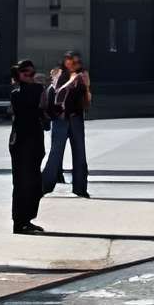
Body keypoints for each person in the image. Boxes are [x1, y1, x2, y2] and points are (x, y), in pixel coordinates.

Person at [41, 50, 92, 198]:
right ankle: (44, 186)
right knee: (56, 153)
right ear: (64, 61)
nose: (73, 64)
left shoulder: (82, 76)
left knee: (80, 153)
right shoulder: (58, 74)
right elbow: (55, 92)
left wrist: (87, 85)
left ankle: (80, 188)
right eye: (70, 60)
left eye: (76, 62)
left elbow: (87, 102)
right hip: (60, 118)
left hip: (76, 118)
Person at [8, 60, 47, 233]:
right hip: (21, 142)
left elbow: (43, 110)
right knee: (22, 183)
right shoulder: (18, 93)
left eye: (32, 73)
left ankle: (27, 219)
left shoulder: (37, 89)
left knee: (35, 184)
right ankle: (19, 221)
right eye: (26, 73)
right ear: (18, 76)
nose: (30, 76)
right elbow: (32, 108)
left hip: (35, 140)